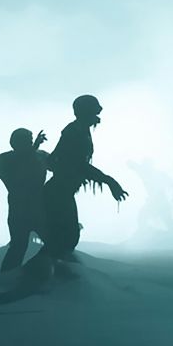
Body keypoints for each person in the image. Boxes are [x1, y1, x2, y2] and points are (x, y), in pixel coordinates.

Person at [41, 94, 127, 260]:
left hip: (60, 191)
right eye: (95, 109)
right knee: (65, 239)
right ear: (85, 111)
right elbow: (77, 164)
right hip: (58, 193)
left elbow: (53, 160)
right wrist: (109, 181)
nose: (99, 112)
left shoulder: (78, 131)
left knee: (65, 238)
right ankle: (42, 278)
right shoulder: (74, 132)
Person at [0, 126, 50, 271]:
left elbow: (58, 164)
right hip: (19, 210)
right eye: (25, 141)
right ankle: (6, 279)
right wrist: (34, 148)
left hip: (39, 208)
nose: (29, 143)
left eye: (29, 140)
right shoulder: (5, 159)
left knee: (52, 242)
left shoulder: (40, 155)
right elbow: (19, 172)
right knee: (18, 246)